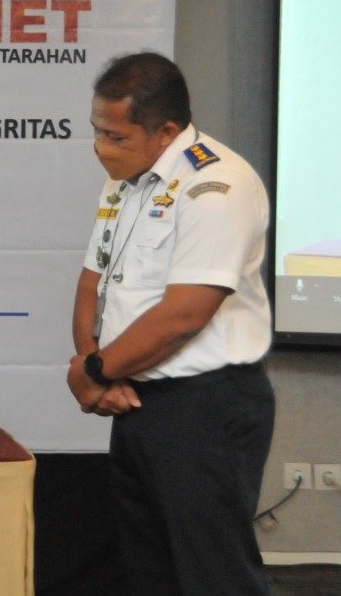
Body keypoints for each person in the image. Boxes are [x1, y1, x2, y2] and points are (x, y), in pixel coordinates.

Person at [67, 52, 275, 595]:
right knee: (149, 571)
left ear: (166, 131)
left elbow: (185, 314)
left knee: (213, 574)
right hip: (137, 399)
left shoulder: (217, 185)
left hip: (205, 406)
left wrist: (93, 371)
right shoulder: (124, 183)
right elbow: (94, 282)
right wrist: (94, 365)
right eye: (97, 131)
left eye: (116, 136)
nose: (100, 147)